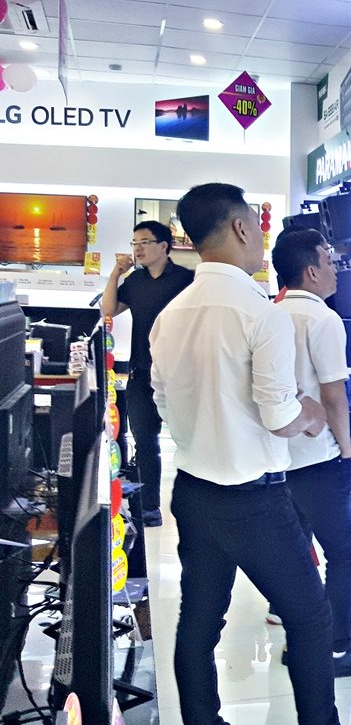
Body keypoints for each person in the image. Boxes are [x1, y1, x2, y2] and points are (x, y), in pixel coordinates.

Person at [149, 183, 350, 725]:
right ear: (240, 227)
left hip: (192, 490)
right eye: (257, 226)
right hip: (254, 500)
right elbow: (280, 416)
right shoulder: (262, 313)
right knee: (309, 615)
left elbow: (162, 401)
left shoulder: (171, 313)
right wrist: (312, 413)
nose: (261, 239)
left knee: (198, 619)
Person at [270, 227, 351, 677]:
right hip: (318, 460)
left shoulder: (271, 312)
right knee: (343, 554)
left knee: (296, 553)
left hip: (279, 456)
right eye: (328, 258)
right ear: (310, 270)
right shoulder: (322, 319)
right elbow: (334, 395)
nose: (336, 269)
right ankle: (337, 648)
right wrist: (345, 447)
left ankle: (299, 641)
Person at [101, 220, 194, 527]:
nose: (137, 249)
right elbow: (108, 310)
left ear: (164, 246)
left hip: (181, 373)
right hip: (142, 372)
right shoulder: (135, 281)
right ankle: (149, 509)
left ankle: (193, 509)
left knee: (189, 442)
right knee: (145, 442)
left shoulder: (186, 279)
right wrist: (115, 274)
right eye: (134, 243)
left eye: (144, 242)